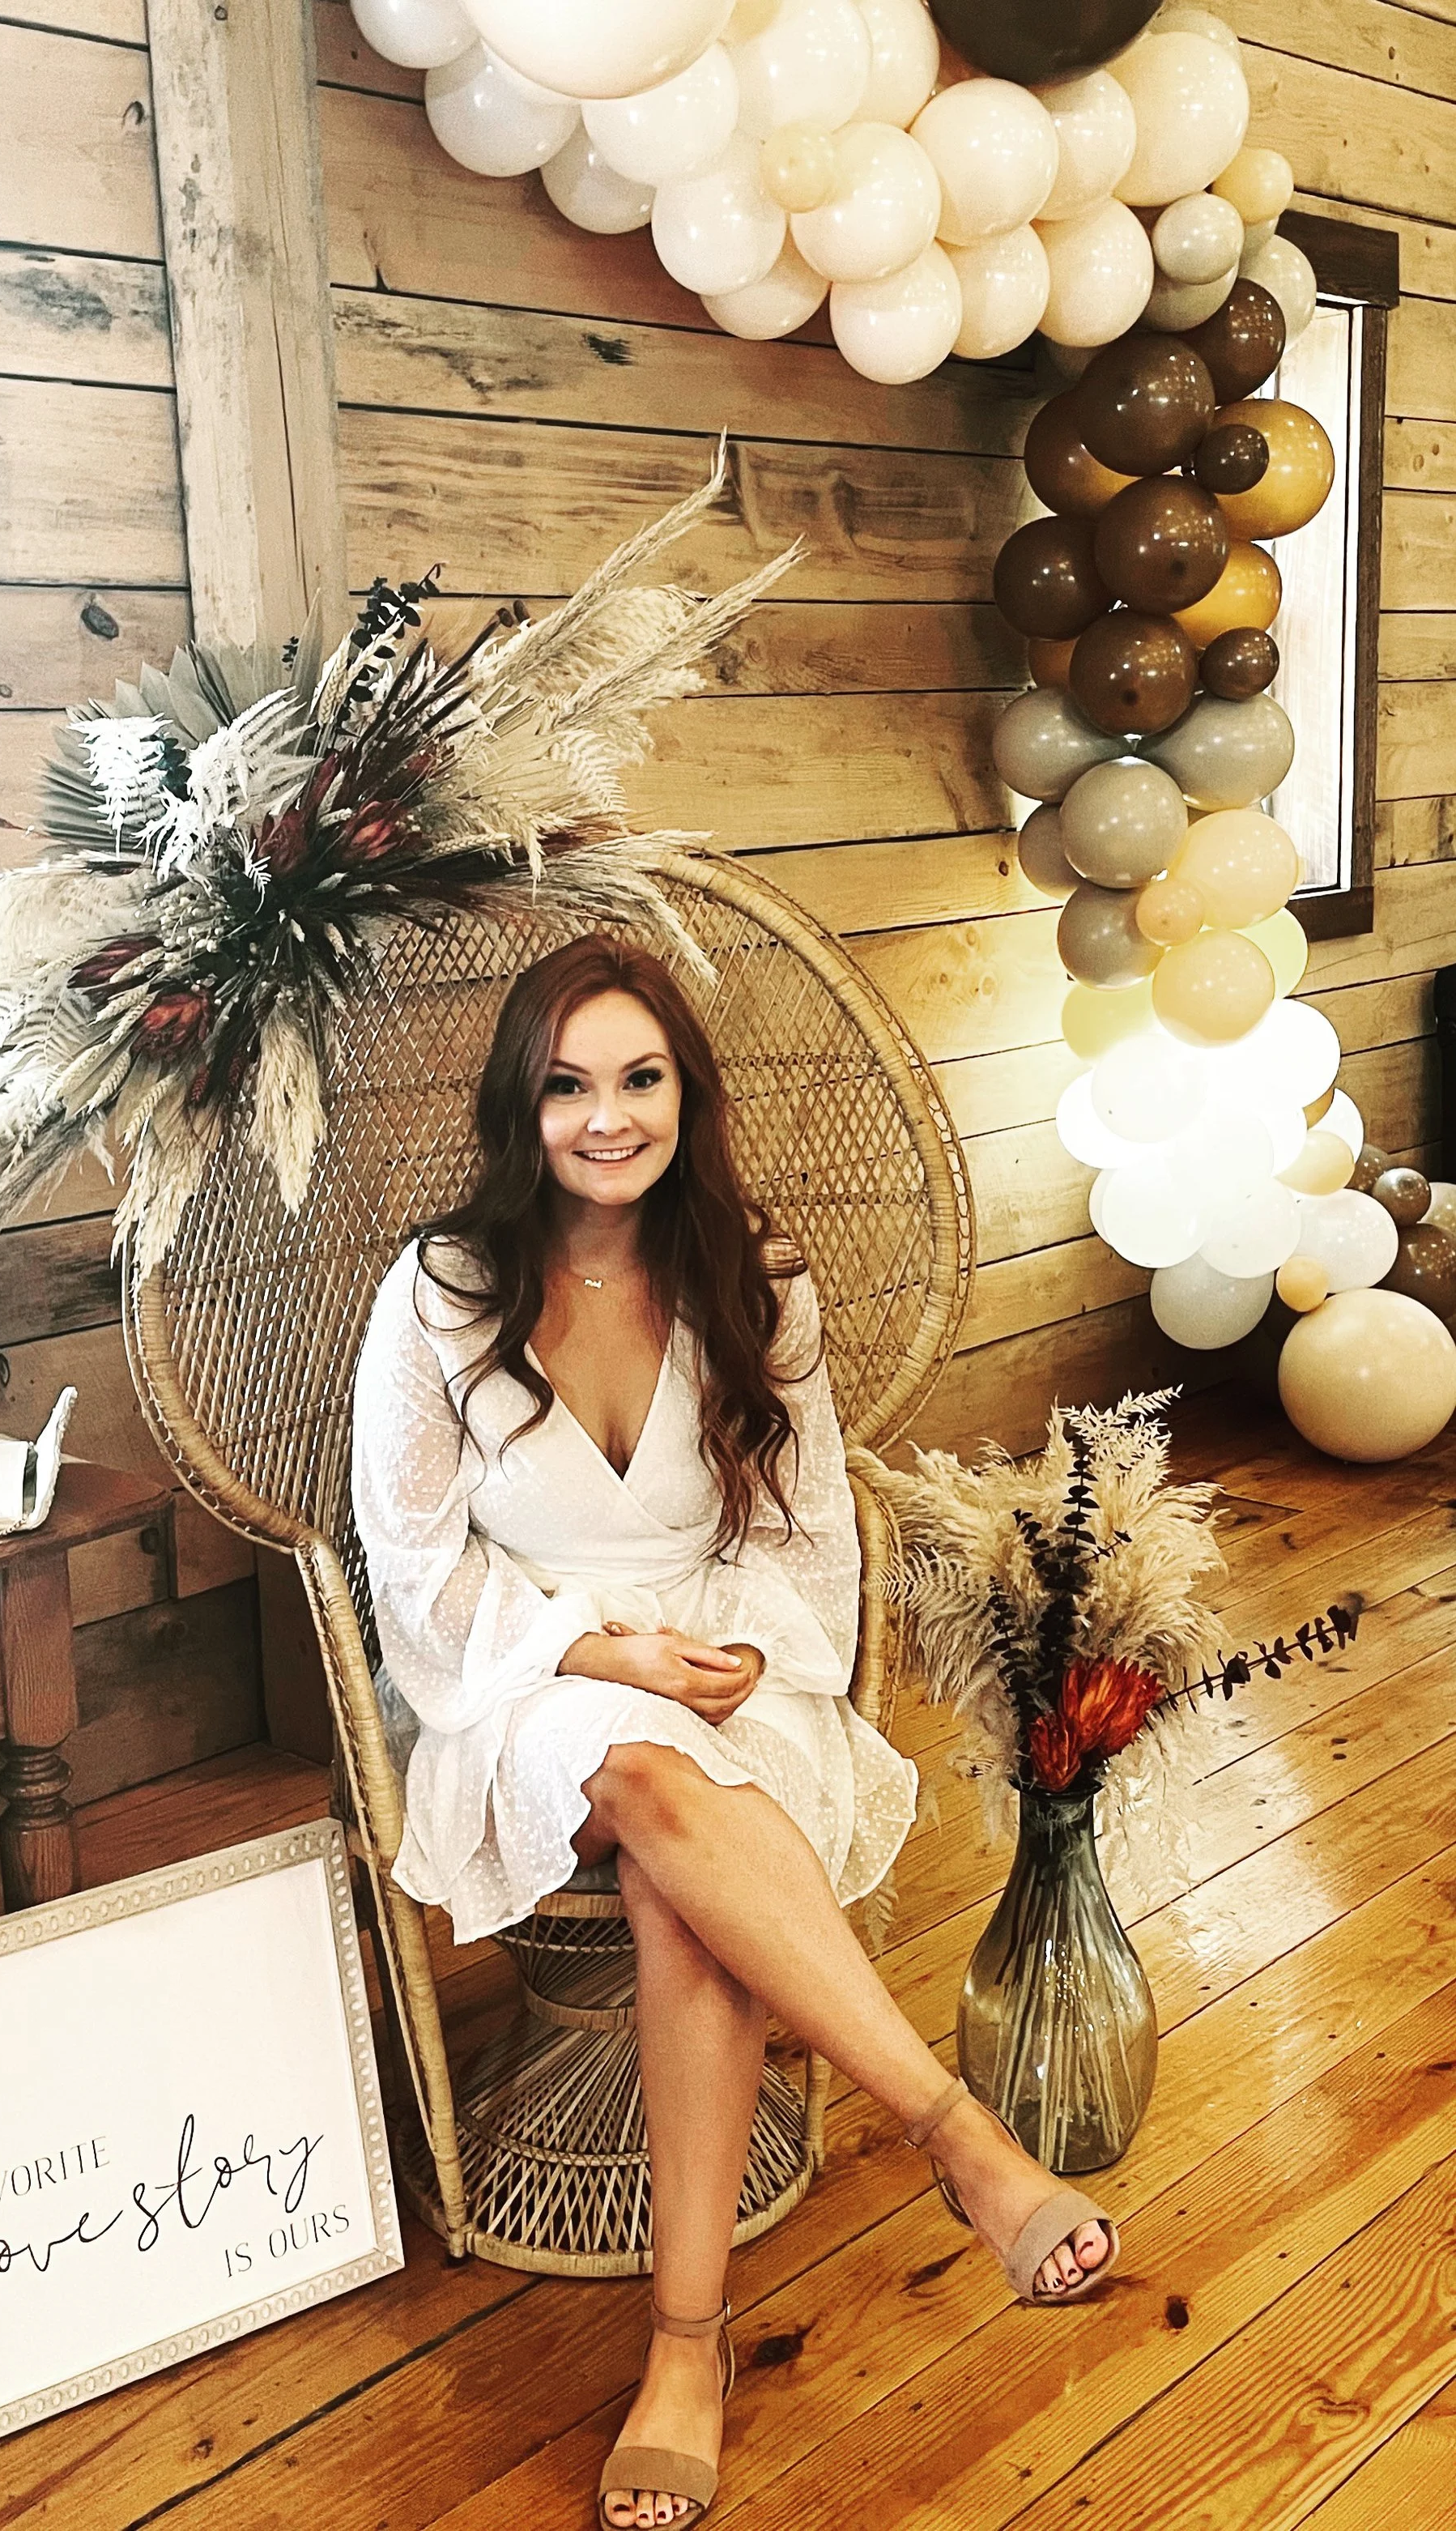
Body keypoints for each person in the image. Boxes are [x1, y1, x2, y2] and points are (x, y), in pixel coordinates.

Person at [350, 935, 1120, 2530]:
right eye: (567, 1085)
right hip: (520, 1684)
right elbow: (415, 1569)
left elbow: (807, 1531)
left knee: (671, 1872)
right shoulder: (438, 1288)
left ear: (684, 1093)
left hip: (729, 1663)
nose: (606, 1117)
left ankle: (682, 2349)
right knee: (627, 1763)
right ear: (521, 1103)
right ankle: (954, 2129)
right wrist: (595, 1645)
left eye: (638, 1078)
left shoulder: (751, 1271)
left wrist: (723, 1650)